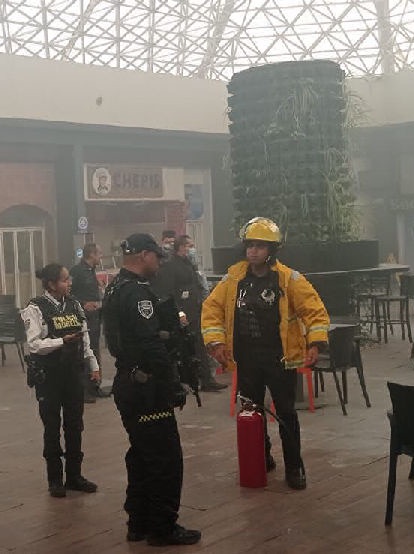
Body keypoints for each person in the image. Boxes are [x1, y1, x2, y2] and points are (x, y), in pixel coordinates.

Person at [201, 217, 330, 490]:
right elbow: (211, 308)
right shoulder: (233, 277)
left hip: (280, 359)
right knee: (252, 412)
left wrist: (315, 344)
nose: (253, 251)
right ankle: (261, 457)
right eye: (250, 245)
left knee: (286, 414)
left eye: (260, 246)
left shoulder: (289, 279)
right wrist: (216, 343)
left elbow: (315, 311)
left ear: (272, 250)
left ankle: (295, 467)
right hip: (247, 360)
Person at [103, 233, 201, 547]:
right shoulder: (139, 294)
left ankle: (140, 521)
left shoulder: (116, 287)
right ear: (144, 255)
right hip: (146, 387)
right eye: (157, 257)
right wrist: (171, 380)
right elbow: (148, 343)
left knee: (142, 455)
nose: (159, 262)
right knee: (165, 458)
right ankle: (162, 526)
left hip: (128, 382)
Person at [22, 263, 101, 498]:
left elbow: (84, 339)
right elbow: (34, 344)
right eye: (65, 280)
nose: (69, 283)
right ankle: (55, 479)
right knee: (52, 426)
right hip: (50, 375)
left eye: (68, 279)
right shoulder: (35, 308)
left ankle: (75, 476)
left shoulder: (74, 305)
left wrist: (93, 365)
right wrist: (61, 342)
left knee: (75, 425)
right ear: (51, 284)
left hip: (73, 374)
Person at [150, 235, 226, 393]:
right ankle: (182, 382)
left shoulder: (189, 264)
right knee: (182, 348)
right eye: (188, 245)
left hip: (195, 309)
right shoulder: (171, 266)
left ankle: (206, 379)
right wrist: (178, 312)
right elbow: (168, 292)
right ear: (181, 247)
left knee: (199, 345)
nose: (191, 248)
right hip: (182, 313)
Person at [70, 243, 107, 401]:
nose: (101, 256)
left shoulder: (92, 271)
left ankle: (95, 386)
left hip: (95, 316)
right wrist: (84, 303)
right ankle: (84, 390)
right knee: (85, 351)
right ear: (91, 254)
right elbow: (69, 294)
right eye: (99, 253)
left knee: (95, 350)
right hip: (83, 317)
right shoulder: (76, 271)